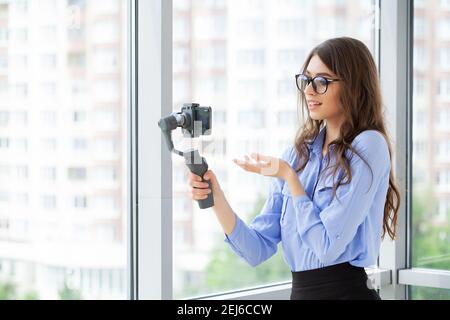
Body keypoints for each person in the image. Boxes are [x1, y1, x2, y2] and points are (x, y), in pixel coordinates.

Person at [187, 37, 400, 300]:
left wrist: (290, 178)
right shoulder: (298, 154)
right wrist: (216, 195)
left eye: (322, 81)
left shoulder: (369, 145)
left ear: (353, 86)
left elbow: (327, 246)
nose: (309, 90)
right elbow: (257, 249)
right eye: (306, 80)